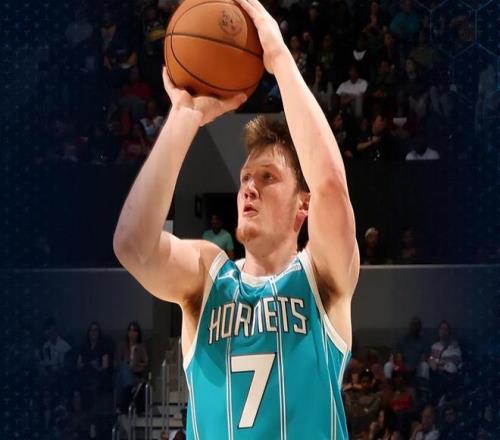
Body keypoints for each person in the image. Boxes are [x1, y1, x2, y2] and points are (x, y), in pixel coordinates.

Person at [113, 0, 360, 437]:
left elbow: (330, 185)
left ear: (302, 205)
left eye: (268, 177)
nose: (249, 187)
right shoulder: (208, 277)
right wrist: (184, 116)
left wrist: (280, 58)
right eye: (245, 178)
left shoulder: (321, 276)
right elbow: (132, 245)